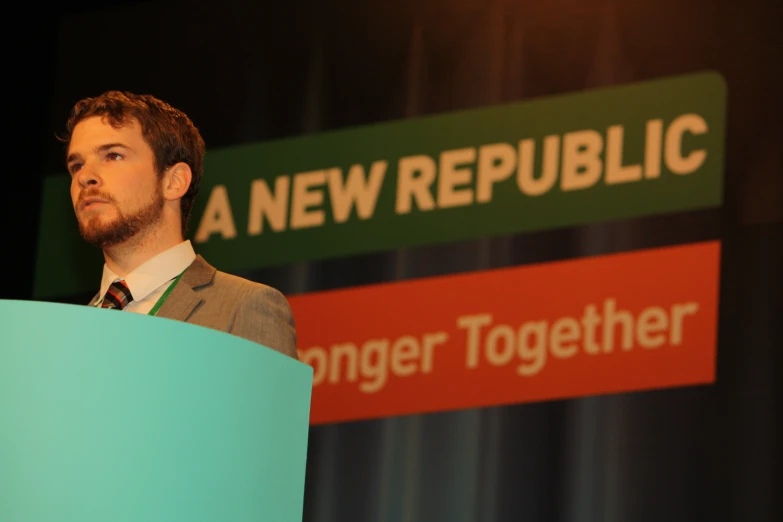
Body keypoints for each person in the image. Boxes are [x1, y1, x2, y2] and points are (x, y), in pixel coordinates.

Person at [60, 90, 298, 360]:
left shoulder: (243, 308)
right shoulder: (65, 337)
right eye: (76, 165)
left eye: (113, 155)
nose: (85, 177)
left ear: (174, 181)